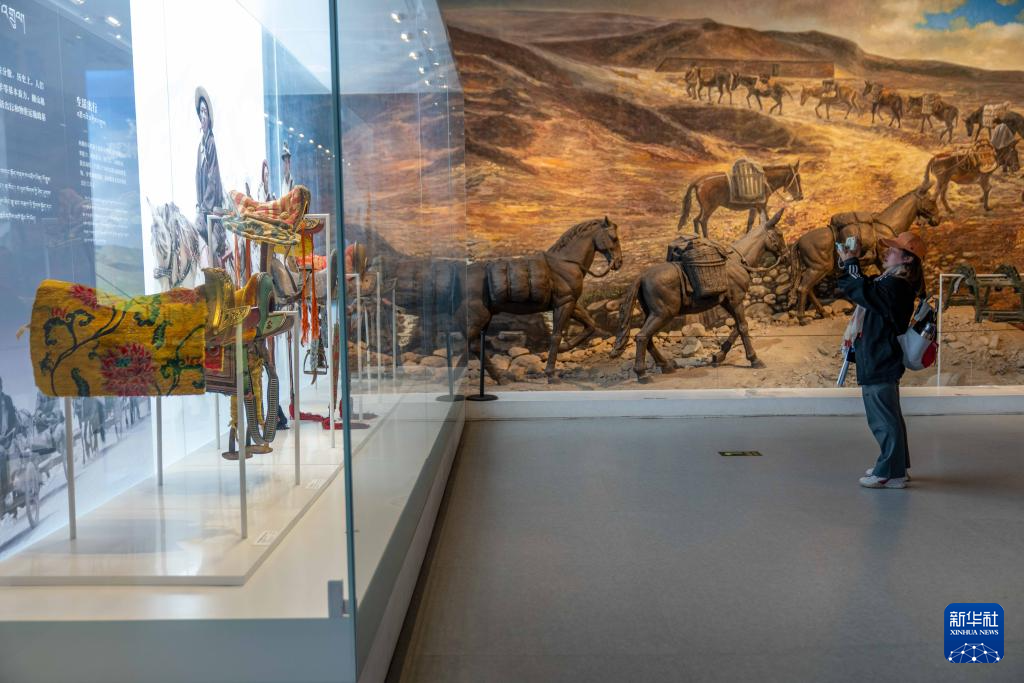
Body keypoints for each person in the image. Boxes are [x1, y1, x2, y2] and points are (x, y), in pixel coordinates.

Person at [836, 231, 925, 489]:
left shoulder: (896, 285)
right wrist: (850, 262)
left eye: (893, 250)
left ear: (908, 259)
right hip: (880, 356)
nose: (886, 253)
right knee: (889, 417)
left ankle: (889, 472)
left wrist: (851, 263)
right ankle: (897, 467)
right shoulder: (891, 281)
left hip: (880, 357)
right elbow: (865, 287)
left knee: (883, 420)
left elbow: (862, 290)